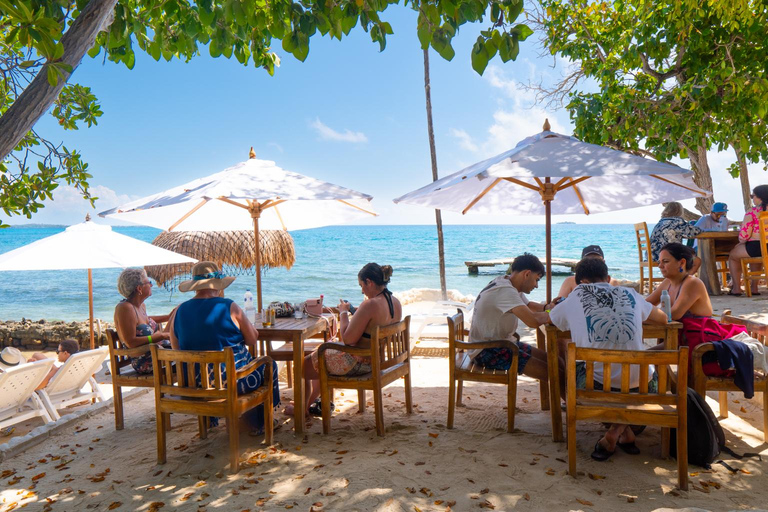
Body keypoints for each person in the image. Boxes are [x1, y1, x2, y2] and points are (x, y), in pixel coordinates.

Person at [548, 258, 668, 461]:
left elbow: (552, 319)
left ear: (581, 283)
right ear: (609, 278)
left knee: (574, 366)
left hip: (593, 387)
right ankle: (623, 431)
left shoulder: (577, 294)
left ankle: (613, 433)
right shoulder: (630, 294)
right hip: (644, 388)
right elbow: (664, 319)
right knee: (634, 378)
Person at [168, 262, 280, 434]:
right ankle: (260, 422)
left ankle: (214, 420)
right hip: (230, 384)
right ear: (218, 286)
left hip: (193, 384)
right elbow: (252, 339)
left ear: (195, 287)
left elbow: (177, 350)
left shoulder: (179, 311)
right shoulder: (229, 306)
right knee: (269, 366)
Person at [288, 263, 403, 418]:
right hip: (376, 360)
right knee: (316, 356)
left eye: (362, 285)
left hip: (358, 364)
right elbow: (369, 329)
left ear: (369, 282)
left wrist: (343, 313)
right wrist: (356, 314)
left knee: (302, 367)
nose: (362, 290)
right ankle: (310, 402)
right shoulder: (395, 302)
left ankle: (302, 408)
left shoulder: (370, 304)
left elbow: (348, 339)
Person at [469, 253, 564, 399]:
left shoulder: (506, 282)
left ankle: (570, 403)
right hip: (488, 351)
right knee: (556, 374)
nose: (536, 285)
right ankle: (574, 409)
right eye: (536, 280)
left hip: (501, 344)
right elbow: (532, 321)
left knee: (558, 362)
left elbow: (529, 306)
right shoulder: (505, 291)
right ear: (527, 274)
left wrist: (548, 307)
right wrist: (561, 314)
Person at [114, 268, 172, 374]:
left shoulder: (140, 306)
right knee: (189, 357)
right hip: (145, 361)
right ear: (139, 288)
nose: (151, 285)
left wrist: (169, 316)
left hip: (158, 353)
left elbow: (146, 320)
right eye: (149, 282)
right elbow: (130, 342)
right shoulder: (125, 308)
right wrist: (157, 337)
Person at [646, 243, 713, 320]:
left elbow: (673, 314)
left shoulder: (693, 283)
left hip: (698, 331)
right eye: (659, 262)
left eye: (665, 261)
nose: (660, 266)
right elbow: (645, 303)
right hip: (678, 331)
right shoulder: (667, 282)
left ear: (681, 263)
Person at [728, 185, 768, 296]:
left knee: (733, 256)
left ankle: (736, 288)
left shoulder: (752, 212)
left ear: (760, 197)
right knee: (757, 255)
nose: (752, 199)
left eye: (752, 196)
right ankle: (754, 287)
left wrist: (741, 243)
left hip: (756, 246)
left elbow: (744, 235)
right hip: (764, 248)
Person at [649, 202, 702, 274]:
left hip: (653, 256)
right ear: (679, 211)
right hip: (668, 256)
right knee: (697, 261)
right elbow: (695, 231)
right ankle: (682, 281)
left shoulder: (660, 222)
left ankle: (678, 279)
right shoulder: (677, 221)